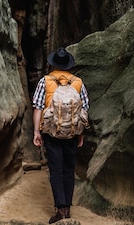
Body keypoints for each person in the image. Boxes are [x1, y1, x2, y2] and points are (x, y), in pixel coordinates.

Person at [32, 47, 90, 223]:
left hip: (51, 133)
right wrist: (80, 133)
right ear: (68, 65)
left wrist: (36, 131)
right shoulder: (78, 82)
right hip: (72, 133)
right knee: (68, 170)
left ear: (53, 64)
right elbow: (84, 109)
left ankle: (61, 210)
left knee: (56, 170)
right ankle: (68, 209)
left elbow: (38, 107)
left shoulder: (45, 81)